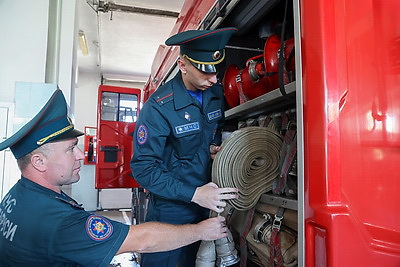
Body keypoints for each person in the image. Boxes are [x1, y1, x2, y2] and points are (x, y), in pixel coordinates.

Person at [0, 88, 229, 267]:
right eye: (71, 149)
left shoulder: (17, 195)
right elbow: (143, 240)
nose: (81, 155)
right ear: (39, 161)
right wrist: (201, 230)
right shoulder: (57, 221)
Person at [130, 27, 239, 267]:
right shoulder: (159, 107)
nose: (213, 79)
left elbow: (211, 132)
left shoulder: (214, 94)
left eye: (216, 71)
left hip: (212, 205)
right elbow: (143, 169)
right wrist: (195, 194)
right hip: (174, 211)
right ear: (182, 65)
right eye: (204, 70)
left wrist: (212, 148)